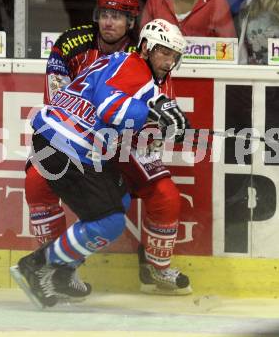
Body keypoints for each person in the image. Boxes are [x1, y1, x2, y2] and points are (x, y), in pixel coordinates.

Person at [10, 18, 190, 308]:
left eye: (174, 56)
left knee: (120, 198)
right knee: (110, 222)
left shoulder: (121, 61)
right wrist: (153, 111)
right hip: (66, 147)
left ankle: (62, 274)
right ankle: (37, 265)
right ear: (145, 47)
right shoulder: (136, 69)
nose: (169, 61)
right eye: (164, 52)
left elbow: (114, 105)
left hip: (66, 142)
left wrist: (162, 120)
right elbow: (110, 108)